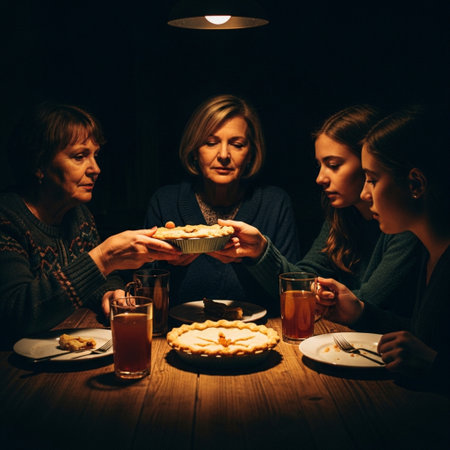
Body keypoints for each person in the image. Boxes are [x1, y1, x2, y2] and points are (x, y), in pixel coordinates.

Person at [213, 105, 422, 316]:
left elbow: (368, 304)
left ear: (368, 162)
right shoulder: (341, 215)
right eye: (320, 165)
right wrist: (260, 249)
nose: (320, 178)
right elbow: (304, 279)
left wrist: (322, 298)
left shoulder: (404, 225)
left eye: (333, 165)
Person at [0, 102, 180, 341]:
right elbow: (15, 314)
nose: (95, 169)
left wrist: (110, 293)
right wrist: (103, 257)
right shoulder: (8, 218)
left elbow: (99, 279)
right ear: (39, 165)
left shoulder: (79, 215)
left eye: (95, 156)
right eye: (79, 157)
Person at [316, 107, 449, 383]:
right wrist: (361, 312)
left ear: (415, 184)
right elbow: (423, 335)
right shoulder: (431, 256)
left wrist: (437, 366)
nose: (365, 193)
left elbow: (432, 353)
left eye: (373, 180)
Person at [144, 94, 301, 308]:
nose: (224, 155)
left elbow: (296, 293)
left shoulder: (274, 203)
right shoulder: (165, 201)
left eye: (237, 144)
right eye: (210, 143)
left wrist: (261, 253)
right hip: (179, 331)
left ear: (251, 153)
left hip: (258, 333)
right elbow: (143, 292)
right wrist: (165, 260)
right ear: (194, 149)